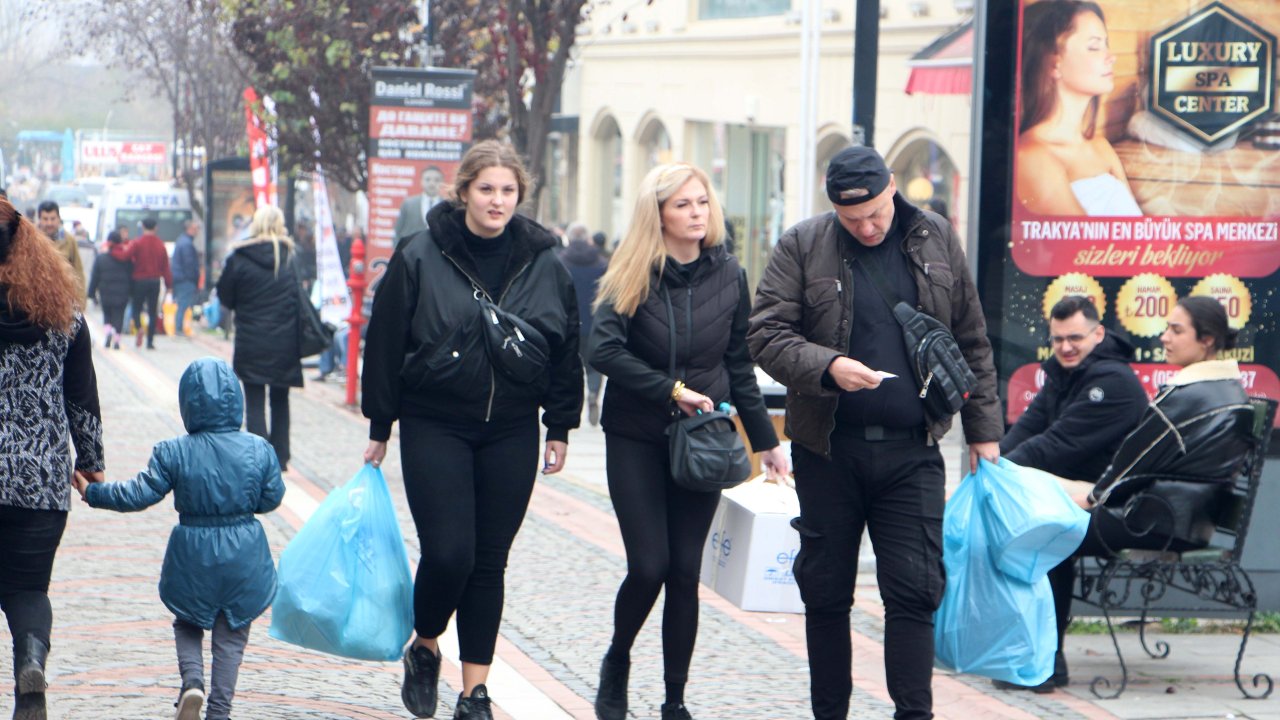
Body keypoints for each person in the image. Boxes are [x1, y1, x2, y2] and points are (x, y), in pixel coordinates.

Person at [748, 146, 1003, 720]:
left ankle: (914, 714)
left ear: (892, 187)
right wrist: (827, 366)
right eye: (851, 218)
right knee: (826, 593)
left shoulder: (935, 236)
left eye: (874, 215)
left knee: (914, 592)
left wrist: (985, 430)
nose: (865, 227)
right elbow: (764, 333)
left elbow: (972, 338)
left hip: (912, 451)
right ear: (833, 207)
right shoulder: (804, 243)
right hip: (828, 450)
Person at [361, 140, 582, 720]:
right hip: (436, 422)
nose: (497, 201)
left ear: (520, 196)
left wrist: (560, 423)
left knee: (489, 561)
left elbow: (565, 345)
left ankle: (474, 692)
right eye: (486, 188)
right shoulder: (420, 254)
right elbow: (385, 341)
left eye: (508, 190)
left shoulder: (544, 262)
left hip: (512, 427)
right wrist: (380, 423)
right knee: (450, 552)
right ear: (463, 192)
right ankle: (426, 644)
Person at [587, 163, 788, 720]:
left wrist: (767, 442)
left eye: (702, 202)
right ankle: (618, 658)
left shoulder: (729, 274)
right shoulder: (631, 271)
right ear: (659, 214)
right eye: (683, 205)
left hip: (704, 442)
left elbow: (739, 365)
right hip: (636, 436)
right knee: (649, 565)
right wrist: (669, 390)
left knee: (684, 572)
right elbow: (601, 351)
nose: (697, 213)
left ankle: (674, 700)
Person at [75, 357, 286, 720]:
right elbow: (272, 498)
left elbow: (138, 494)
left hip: (193, 553)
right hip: (244, 555)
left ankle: (192, 683)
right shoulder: (259, 449)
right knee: (232, 633)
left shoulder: (173, 451)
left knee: (187, 621)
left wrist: (94, 493)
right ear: (236, 398)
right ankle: (219, 711)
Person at [994, 295, 1148, 692]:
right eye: (1058, 338)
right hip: (1074, 499)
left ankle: (1044, 662)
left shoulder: (1112, 382)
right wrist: (992, 466)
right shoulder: (1064, 372)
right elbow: (1028, 430)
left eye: (1075, 338)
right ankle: (1029, 653)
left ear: (1099, 333)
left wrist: (999, 472)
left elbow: (1055, 445)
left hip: (1118, 508)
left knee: (1043, 534)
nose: (1065, 347)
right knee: (1027, 526)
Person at [0, 195, 105, 720]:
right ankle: (31, 662)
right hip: (40, 483)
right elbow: (82, 398)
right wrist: (91, 463)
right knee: (27, 588)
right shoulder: (66, 318)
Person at [1084, 296, 1254, 541]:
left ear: (1207, 340)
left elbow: (1129, 466)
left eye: (1176, 330)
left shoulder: (1188, 394)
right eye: (1167, 328)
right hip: (1188, 523)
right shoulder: (1230, 390)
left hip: (1155, 523)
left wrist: (1093, 497)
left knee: (1049, 528)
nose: (1164, 337)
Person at [1015, 0, 1141, 216]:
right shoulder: (1031, 157)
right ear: (1054, 64)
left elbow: (1139, 234)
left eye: (1106, 44)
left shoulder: (1101, 148)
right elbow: (1083, 250)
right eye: (1094, 47)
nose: (1111, 57)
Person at [215, 205, 304, 472]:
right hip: (285, 339)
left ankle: (258, 458)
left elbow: (226, 297)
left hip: (251, 338)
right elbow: (299, 298)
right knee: (280, 399)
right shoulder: (289, 257)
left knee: (253, 399)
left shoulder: (239, 257)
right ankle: (281, 457)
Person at [558, 221, 609, 425]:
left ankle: (574, 403)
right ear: (588, 239)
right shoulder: (602, 264)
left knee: (571, 365)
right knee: (594, 365)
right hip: (595, 322)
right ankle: (593, 394)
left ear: (569, 238)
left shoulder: (560, 262)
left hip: (568, 324)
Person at [120, 216, 173, 349]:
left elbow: (125, 256)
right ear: (155, 228)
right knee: (152, 311)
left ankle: (139, 327)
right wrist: (169, 285)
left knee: (136, 308)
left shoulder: (137, 243)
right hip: (155, 281)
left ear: (142, 227)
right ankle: (150, 341)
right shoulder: (161, 244)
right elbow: (166, 267)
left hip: (139, 280)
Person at [86, 230, 134, 349]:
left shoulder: (101, 259)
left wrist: (91, 293)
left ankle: (108, 334)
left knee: (107, 315)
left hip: (105, 292)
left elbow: (95, 277)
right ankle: (117, 340)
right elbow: (131, 277)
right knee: (119, 316)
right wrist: (132, 292)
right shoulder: (126, 260)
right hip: (122, 292)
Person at [35, 200, 86, 300]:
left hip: (63, 301)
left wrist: (80, 301)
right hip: (37, 301)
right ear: (39, 220)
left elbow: (78, 271)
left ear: (59, 219)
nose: (49, 223)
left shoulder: (69, 241)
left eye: (53, 219)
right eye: (45, 219)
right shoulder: (30, 240)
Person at [394, 165, 448, 241]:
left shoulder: (448, 206)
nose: (432, 183)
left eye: (436, 180)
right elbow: (398, 230)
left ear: (442, 182)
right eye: (427, 179)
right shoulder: (408, 204)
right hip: (411, 250)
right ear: (421, 181)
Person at [171, 219, 201, 337]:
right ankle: (178, 329)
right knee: (183, 304)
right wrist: (194, 278)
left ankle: (179, 328)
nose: (197, 231)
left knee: (182, 304)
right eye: (195, 228)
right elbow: (189, 264)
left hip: (180, 278)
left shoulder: (182, 241)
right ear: (190, 229)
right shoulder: (187, 244)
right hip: (185, 279)